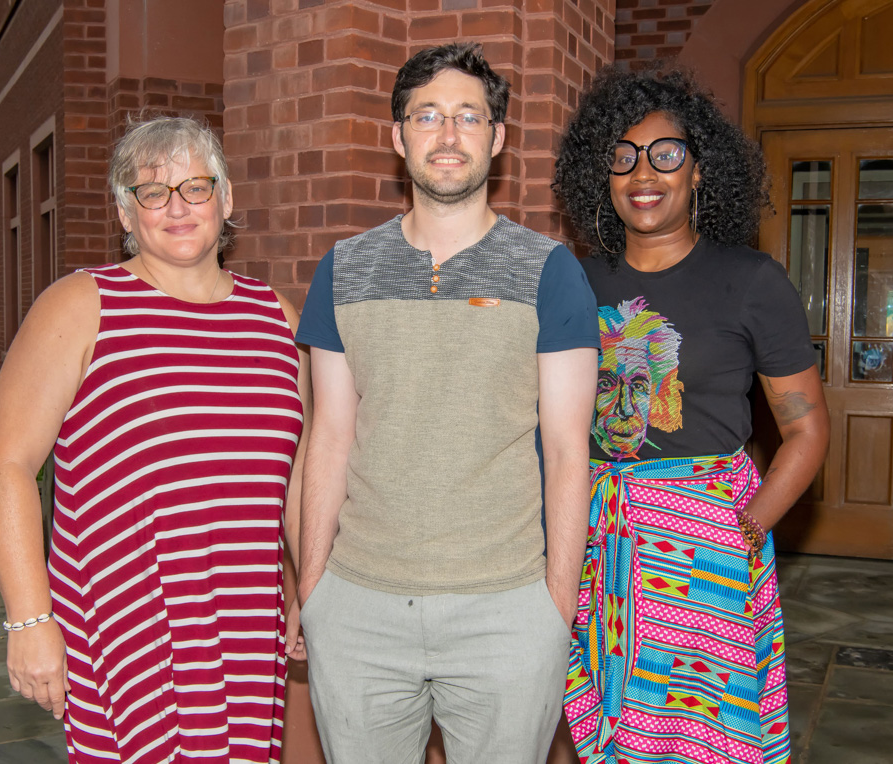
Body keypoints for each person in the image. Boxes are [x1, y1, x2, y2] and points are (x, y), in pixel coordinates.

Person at [294, 42, 599, 764]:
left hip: (507, 607)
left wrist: (555, 607)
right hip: (359, 604)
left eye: (470, 115)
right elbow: (329, 435)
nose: (448, 133)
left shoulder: (550, 272)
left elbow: (566, 449)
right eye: (426, 115)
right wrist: (314, 590)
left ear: (497, 138)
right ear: (398, 137)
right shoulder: (343, 269)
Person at [0, 116, 309, 763]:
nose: (176, 207)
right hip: (129, 621)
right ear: (126, 212)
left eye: (195, 187)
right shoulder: (81, 305)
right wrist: (29, 619)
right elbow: (4, 465)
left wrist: (302, 591)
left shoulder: (275, 319)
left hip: (244, 620)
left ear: (228, 199)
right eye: (152, 192)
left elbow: (293, 476)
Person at [554, 68, 829, 764]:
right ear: (602, 174)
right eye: (623, 156)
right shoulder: (573, 280)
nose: (643, 174)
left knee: (704, 727)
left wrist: (751, 524)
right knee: (599, 718)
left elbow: (805, 428)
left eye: (666, 154)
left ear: (700, 170)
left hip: (708, 540)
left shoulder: (752, 281)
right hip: (595, 531)